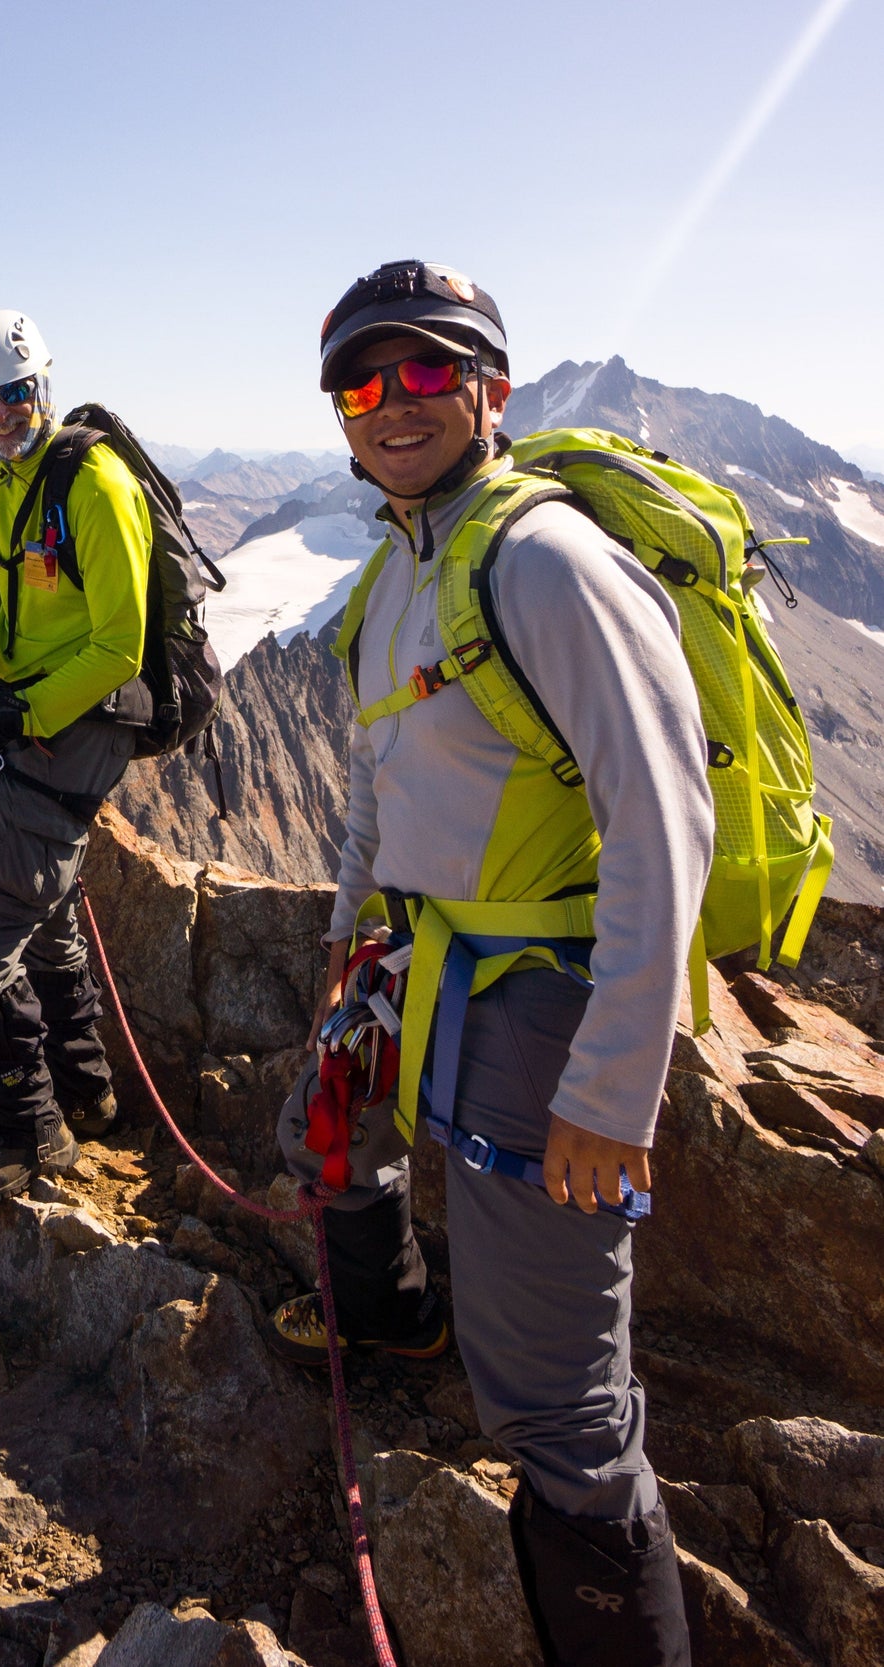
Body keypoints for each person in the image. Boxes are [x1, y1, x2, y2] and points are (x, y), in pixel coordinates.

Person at [276, 260, 710, 1665]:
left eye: (423, 370)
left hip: (541, 1006)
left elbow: (663, 814)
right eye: (363, 379)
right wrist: (352, 940)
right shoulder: (399, 567)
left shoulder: (545, 559)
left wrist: (613, 1088)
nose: (390, 402)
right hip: (426, 964)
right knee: (335, 1149)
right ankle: (398, 1324)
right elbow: (370, 773)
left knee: (558, 1406)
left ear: (489, 388)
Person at [0, 310, 150, 1206]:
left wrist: (12, 722)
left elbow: (120, 646)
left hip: (87, 717)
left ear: (43, 383)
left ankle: (30, 1130)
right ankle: (86, 1092)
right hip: (32, 712)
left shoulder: (94, 481)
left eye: (16, 394)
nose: (3, 416)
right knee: (41, 912)